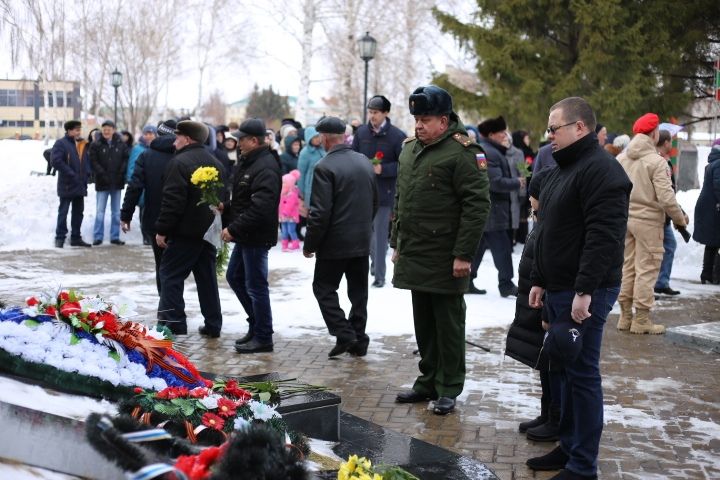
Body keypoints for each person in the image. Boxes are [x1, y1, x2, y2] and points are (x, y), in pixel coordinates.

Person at [526, 97, 632, 479]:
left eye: (555, 128)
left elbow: (604, 238)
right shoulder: (560, 170)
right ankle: (569, 447)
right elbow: (546, 232)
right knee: (566, 371)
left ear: (580, 128)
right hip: (558, 287)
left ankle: (583, 465)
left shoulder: (602, 171)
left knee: (583, 374)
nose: (549, 135)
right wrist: (539, 278)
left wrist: (584, 290)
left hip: (585, 291)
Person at [391, 85, 490, 415]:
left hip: (447, 256)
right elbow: (401, 200)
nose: (419, 125)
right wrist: (396, 243)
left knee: (448, 325)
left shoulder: (462, 153)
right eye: (416, 118)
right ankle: (428, 380)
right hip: (416, 252)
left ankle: (449, 386)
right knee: (424, 324)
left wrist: (463, 253)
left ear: (444, 121)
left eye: (426, 119)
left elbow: (476, 205)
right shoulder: (409, 151)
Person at [303, 116, 377, 357]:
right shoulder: (364, 161)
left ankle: (344, 332)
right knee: (358, 293)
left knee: (323, 288)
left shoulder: (325, 166)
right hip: (361, 239)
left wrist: (310, 244)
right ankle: (359, 340)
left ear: (325, 138)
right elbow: (374, 202)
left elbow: (320, 213)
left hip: (335, 243)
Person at [616, 114, 687, 335]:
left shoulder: (622, 159)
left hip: (626, 220)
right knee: (646, 270)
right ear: (654, 133)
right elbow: (666, 198)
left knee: (627, 268)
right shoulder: (657, 162)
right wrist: (680, 219)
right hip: (648, 223)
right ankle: (642, 320)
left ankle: (625, 317)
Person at [154, 120, 224, 336]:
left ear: (188, 138)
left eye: (177, 138)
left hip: (185, 233)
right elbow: (223, 198)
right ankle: (213, 324)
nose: (174, 143)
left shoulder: (179, 162)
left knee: (169, 275)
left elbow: (173, 202)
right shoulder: (216, 162)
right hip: (208, 232)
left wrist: (162, 229)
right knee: (206, 278)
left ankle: (175, 323)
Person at [506, 167, 560, 443]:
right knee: (543, 361)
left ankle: (556, 417)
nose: (530, 200)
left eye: (533, 196)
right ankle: (546, 413)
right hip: (534, 301)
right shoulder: (541, 220)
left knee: (552, 362)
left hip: (546, 305)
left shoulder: (552, 223)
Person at [221, 118, 282, 353]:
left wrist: (233, 229)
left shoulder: (265, 165)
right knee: (235, 277)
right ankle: (256, 325)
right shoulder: (250, 161)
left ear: (253, 141)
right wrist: (225, 207)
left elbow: (261, 208)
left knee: (256, 286)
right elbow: (244, 200)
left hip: (255, 236)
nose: (238, 143)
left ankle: (264, 336)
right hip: (247, 234)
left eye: (241, 139)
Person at [351, 95, 407, 288]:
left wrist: (384, 169)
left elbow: (405, 166)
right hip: (362, 192)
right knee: (365, 234)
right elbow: (352, 156)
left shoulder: (397, 136)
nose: (372, 116)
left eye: (375, 112)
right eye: (370, 112)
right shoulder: (361, 133)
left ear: (385, 113)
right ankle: (374, 264)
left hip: (385, 193)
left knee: (381, 235)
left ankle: (380, 275)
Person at [468, 115, 523, 297]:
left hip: (488, 210)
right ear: (492, 134)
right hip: (493, 211)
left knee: (479, 247)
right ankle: (506, 284)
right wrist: (517, 182)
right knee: (503, 249)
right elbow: (494, 182)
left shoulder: (488, 150)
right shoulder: (489, 152)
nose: (504, 135)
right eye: (501, 132)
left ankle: (467, 280)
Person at [121, 120, 177, 295]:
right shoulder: (182, 155)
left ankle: (166, 307)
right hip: (180, 220)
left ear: (158, 134)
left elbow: (134, 186)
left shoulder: (147, 156)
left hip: (155, 219)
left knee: (161, 265)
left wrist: (126, 215)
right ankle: (175, 308)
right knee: (177, 267)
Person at [51, 120, 92, 248]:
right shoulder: (61, 143)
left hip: (80, 184)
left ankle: (75, 237)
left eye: (79, 129)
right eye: (76, 130)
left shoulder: (82, 144)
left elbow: (86, 161)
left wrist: (88, 173)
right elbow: (55, 161)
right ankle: (60, 238)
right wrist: (70, 173)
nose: (78, 132)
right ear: (69, 131)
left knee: (78, 212)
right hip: (67, 184)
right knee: (63, 211)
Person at [90, 120, 129, 245]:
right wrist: (102, 174)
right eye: (104, 129)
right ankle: (98, 236)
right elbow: (94, 161)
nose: (106, 131)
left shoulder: (121, 144)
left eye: (109, 129)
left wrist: (120, 174)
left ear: (113, 130)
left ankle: (114, 236)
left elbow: (125, 160)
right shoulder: (96, 144)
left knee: (116, 212)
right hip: (102, 182)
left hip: (116, 183)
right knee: (100, 211)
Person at [654, 129, 682, 295]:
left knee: (668, 247)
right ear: (665, 142)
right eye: (670, 141)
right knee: (661, 249)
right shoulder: (659, 161)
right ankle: (656, 284)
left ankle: (661, 282)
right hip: (658, 214)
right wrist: (677, 214)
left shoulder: (664, 160)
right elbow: (664, 193)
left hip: (663, 214)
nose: (671, 144)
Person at [692, 138, 720, 285]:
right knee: (715, 241)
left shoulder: (712, 163)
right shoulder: (719, 164)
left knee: (712, 242)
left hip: (708, 207)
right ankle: (714, 275)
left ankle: (707, 274)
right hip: (714, 207)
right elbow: (718, 185)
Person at [127, 125, 157, 245]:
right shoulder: (137, 149)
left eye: (151, 133)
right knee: (143, 213)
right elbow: (131, 168)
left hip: (153, 187)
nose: (149, 136)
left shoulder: (156, 149)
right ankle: (146, 236)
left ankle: (151, 235)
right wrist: (132, 181)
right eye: (147, 133)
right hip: (142, 187)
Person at [297, 126, 326, 212]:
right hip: (310, 188)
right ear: (309, 138)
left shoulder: (323, 149)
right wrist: (301, 193)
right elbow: (301, 174)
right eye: (314, 137)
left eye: (318, 136)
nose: (317, 139)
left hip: (324, 186)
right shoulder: (305, 153)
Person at [279, 170, 302, 252]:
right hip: (283, 216)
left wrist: (285, 212)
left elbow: (290, 205)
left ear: (290, 184)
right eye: (282, 183)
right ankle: (284, 245)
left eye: (284, 183)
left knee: (291, 230)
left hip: (291, 216)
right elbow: (280, 205)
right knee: (284, 231)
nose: (283, 184)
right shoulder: (282, 193)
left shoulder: (292, 194)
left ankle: (295, 244)